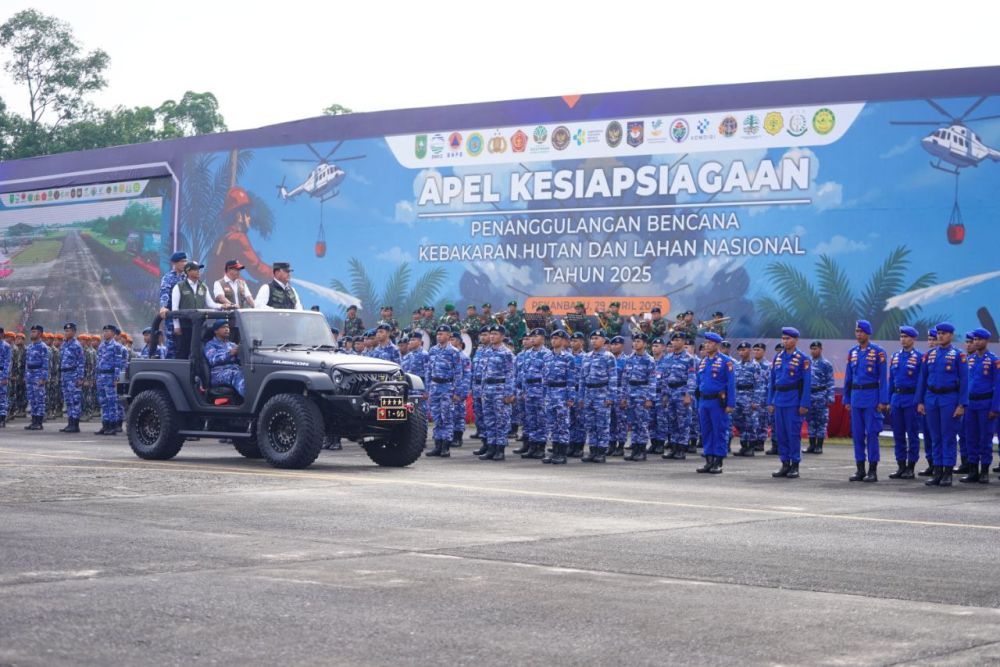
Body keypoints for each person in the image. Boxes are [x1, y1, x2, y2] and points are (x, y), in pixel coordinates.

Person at [917, 322, 969, 487]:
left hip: (949, 398)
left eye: (944, 333)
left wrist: (961, 404)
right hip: (931, 398)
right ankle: (937, 472)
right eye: (939, 333)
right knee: (935, 436)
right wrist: (919, 401)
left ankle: (947, 472)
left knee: (948, 437)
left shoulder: (958, 355)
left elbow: (965, 381)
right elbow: (922, 380)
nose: (940, 336)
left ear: (951, 335)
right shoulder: (929, 355)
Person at [844, 320, 889, 482]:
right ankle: (860, 469)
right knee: (857, 435)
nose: (858, 334)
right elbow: (848, 378)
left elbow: (883, 379)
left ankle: (872, 470)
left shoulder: (878, 352)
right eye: (856, 331)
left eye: (861, 331)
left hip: (871, 397)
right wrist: (846, 398)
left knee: (871, 434)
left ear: (868, 333)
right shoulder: (853, 352)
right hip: (856, 397)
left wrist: (883, 400)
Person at [767, 327, 812, 479]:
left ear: (796, 340)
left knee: (793, 434)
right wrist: (770, 401)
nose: (785, 341)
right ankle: (784, 463)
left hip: (793, 400)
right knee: (781, 434)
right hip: (779, 399)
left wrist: (804, 404)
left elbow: (807, 383)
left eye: (788, 339)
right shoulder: (777, 357)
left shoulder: (802, 358)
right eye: (783, 338)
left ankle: (795, 465)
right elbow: (772, 381)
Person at [210, 186, 273, 283]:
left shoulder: (224, 238)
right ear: (239, 216)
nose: (250, 218)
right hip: (229, 290)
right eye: (247, 213)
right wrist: (276, 273)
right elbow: (256, 268)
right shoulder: (238, 238)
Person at [960, 328, 998, 484]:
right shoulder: (970, 360)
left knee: (985, 438)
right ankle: (973, 470)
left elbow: (998, 385)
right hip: (970, 404)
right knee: (970, 438)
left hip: (985, 403)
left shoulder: (994, 360)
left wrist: (995, 408)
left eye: (979, 339)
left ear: (986, 341)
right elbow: (964, 384)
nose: (976, 342)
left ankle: (984, 471)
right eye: (974, 339)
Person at [695, 332, 736, 474]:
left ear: (717, 345)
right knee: (706, 431)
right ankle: (708, 459)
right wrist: (697, 403)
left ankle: (718, 461)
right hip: (704, 401)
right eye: (706, 343)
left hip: (718, 402)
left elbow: (731, 384)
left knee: (719, 431)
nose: (707, 345)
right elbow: (698, 383)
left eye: (710, 343)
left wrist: (730, 404)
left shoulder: (726, 362)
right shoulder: (703, 361)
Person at [888, 326, 924, 480]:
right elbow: (891, 381)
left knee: (912, 434)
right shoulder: (895, 356)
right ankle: (901, 466)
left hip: (911, 399)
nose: (903, 339)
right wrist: (888, 400)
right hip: (897, 398)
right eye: (901, 336)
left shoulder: (919, 357)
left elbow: (922, 382)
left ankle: (911, 467)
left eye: (906, 336)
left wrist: (919, 401)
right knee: (898, 435)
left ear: (913, 339)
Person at [578, 330, 618, 463]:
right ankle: (593, 450)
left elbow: (613, 378)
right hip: (589, 394)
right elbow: (582, 379)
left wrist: (611, 397)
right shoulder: (587, 356)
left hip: (602, 393)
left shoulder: (608, 356)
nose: (594, 340)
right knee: (590, 424)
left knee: (602, 425)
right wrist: (581, 397)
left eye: (597, 338)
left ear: (603, 341)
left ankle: (601, 451)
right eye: (592, 338)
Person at [478, 324, 516, 461]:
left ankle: (500, 450)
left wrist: (509, 393)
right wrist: (482, 391)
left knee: (501, 421)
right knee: (489, 420)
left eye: (495, 334)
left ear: (502, 336)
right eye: (491, 334)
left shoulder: (506, 353)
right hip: (487, 390)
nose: (492, 336)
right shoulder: (486, 352)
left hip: (500, 389)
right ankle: (491, 447)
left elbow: (510, 375)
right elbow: (483, 373)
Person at [425, 325, 464, 458]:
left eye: (442, 334)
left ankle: (445, 447)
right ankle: (437, 445)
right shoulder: (433, 350)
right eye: (438, 334)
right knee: (436, 417)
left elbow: (459, 373)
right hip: (435, 386)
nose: (439, 336)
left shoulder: (453, 352)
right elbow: (429, 370)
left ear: (448, 336)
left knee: (446, 417)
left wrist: (456, 392)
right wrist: (428, 389)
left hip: (447, 387)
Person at [658, 332, 697, 459]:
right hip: (670, 392)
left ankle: (681, 448)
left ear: (683, 342)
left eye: (679, 340)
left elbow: (692, 378)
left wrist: (688, 395)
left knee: (683, 422)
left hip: (682, 392)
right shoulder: (667, 358)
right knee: (672, 421)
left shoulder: (689, 358)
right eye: (673, 340)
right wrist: (664, 395)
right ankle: (674, 448)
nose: (675, 342)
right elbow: (664, 378)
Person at [171, 260, 220, 359]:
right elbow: (174, 308)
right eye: (195, 269)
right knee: (183, 351)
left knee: (198, 351)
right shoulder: (179, 286)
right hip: (185, 326)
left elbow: (210, 304)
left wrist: (223, 306)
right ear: (188, 272)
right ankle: (183, 373)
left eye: (199, 269)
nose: (198, 271)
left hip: (200, 326)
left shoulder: (203, 286)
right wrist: (177, 326)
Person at [514, 328, 551, 459]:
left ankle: (540, 447)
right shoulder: (527, 354)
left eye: (536, 336)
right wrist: (523, 390)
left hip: (540, 391)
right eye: (531, 337)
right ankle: (532, 446)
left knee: (541, 420)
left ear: (543, 338)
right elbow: (523, 374)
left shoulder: (547, 354)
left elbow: (547, 376)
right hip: (528, 391)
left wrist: (546, 394)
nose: (532, 339)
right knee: (531, 420)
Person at [541, 329, 577, 465]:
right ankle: (555, 451)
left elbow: (571, 380)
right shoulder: (547, 357)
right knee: (552, 425)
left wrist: (570, 398)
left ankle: (562, 453)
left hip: (562, 394)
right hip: (549, 394)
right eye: (552, 338)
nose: (554, 341)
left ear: (563, 341)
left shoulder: (568, 357)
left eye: (557, 338)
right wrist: (543, 395)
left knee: (562, 425)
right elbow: (544, 378)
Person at [621, 332, 656, 461]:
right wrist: (623, 397)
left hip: (642, 393)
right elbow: (625, 379)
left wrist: (649, 398)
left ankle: (641, 450)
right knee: (633, 423)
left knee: (642, 423)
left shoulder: (649, 360)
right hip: (631, 394)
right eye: (634, 341)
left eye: (639, 341)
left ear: (645, 344)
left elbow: (652, 380)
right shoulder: (629, 359)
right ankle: (635, 449)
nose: (636, 343)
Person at [94, 325, 126, 435]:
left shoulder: (116, 346)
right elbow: (98, 362)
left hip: (110, 377)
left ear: (113, 333)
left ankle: (112, 426)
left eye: (107, 331)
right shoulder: (101, 346)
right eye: (104, 331)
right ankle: (105, 425)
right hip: (101, 377)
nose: (105, 333)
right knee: (103, 402)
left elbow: (119, 364)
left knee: (112, 402)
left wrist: (117, 379)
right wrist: (96, 377)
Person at [805, 341, 835, 454]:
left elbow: (830, 381)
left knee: (821, 421)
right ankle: (811, 445)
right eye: (812, 349)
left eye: (816, 348)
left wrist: (830, 397)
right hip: (809, 395)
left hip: (821, 395)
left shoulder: (826, 364)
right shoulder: (807, 362)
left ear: (821, 349)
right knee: (810, 421)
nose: (813, 351)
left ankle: (819, 446)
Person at [732, 342, 762, 457]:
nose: (741, 352)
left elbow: (759, 384)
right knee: (739, 421)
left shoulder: (755, 366)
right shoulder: (736, 365)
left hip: (749, 396)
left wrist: (756, 400)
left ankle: (750, 447)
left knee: (750, 422)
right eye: (740, 350)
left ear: (749, 351)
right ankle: (744, 445)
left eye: (744, 350)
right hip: (738, 395)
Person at [158, 251, 189, 358]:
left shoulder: (188, 277)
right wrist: (163, 306)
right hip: (173, 315)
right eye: (181, 261)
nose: (184, 263)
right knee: (172, 345)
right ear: (174, 263)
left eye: (185, 261)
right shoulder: (168, 278)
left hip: (186, 315)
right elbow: (164, 293)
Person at [204, 320, 245, 397]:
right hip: (218, 374)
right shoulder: (210, 345)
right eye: (223, 327)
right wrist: (230, 354)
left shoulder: (232, 344)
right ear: (216, 331)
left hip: (235, 369)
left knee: (249, 373)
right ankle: (249, 401)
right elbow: (213, 360)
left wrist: (241, 352)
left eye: (228, 327)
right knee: (236, 374)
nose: (227, 329)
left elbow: (240, 361)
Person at [58, 322, 85, 433]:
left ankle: (75, 424)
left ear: (74, 332)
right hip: (65, 375)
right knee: (68, 400)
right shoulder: (64, 344)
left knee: (75, 400)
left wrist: (80, 377)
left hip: (73, 375)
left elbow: (81, 362)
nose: (66, 332)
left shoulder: (76, 345)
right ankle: (70, 423)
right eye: (65, 331)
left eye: (69, 331)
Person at [23, 325, 49, 430]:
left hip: (38, 375)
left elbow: (46, 363)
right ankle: (33, 420)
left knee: (39, 399)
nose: (32, 333)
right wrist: (26, 375)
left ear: (40, 334)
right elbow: (27, 363)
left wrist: (43, 378)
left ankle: (39, 422)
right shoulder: (29, 347)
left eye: (34, 332)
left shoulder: (43, 347)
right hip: (30, 375)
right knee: (32, 399)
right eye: (32, 331)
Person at [449, 331, 472, 448]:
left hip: (458, 391)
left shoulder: (464, 357)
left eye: (453, 340)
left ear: (459, 342)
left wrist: (461, 393)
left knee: (458, 414)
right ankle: (449, 436)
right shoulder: (448, 356)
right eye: (450, 339)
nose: (450, 342)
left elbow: (467, 377)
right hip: (448, 390)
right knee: (448, 415)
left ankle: (458, 437)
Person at [0, 327, 10, 428]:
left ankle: (2, 418)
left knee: (2, 397)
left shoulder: (6, 346)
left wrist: (4, 377)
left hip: (1, 371)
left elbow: (7, 363)